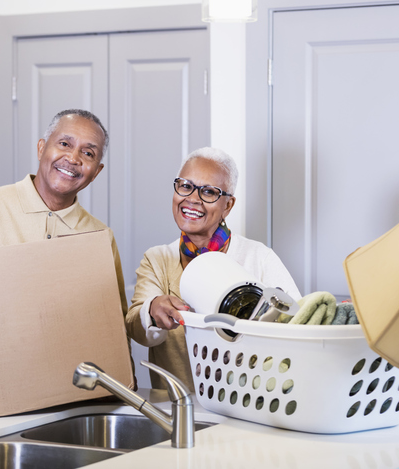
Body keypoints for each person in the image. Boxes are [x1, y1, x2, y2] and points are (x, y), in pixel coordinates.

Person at [0, 109, 128, 423]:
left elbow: (113, 326)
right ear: (41, 148)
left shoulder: (99, 236)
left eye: (87, 153)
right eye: (64, 144)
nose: (73, 158)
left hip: (76, 407)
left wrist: (120, 376)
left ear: (96, 171)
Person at [125, 147, 302, 392]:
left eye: (209, 192)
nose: (193, 199)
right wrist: (152, 309)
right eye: (185, 186)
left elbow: (299, 324)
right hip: (180, 408)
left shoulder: (258, 256)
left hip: (249, 404)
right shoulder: (158, 259)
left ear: (228, 205)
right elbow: (137, 327)